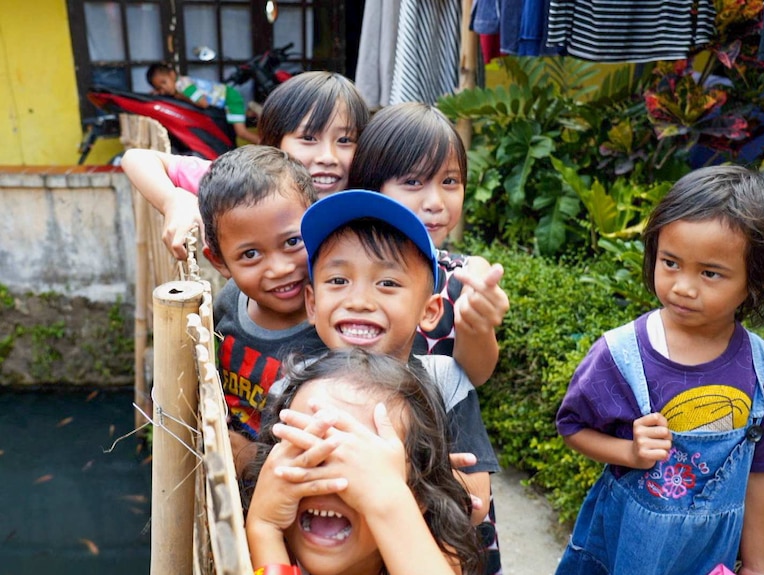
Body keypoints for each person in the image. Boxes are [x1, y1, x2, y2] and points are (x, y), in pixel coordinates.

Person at [554, 165, 764, 575]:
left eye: (709, 273)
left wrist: (758, 564)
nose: (684, 286)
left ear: (755, 280)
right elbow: (572, 428)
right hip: (623, 551)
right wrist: (629, 452)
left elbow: (758, 475)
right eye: (670, 263)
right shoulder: (622, 355)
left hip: (706, 558)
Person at [292, 189, 500, 534]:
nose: (358, 300)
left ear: (430, 311)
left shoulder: (445, 382)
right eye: (338, 280)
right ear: (312, 304)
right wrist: (428, 479)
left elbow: (473, 506)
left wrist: (388, 475)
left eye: (387, 283)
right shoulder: (298, 386)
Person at [244, 347, 482, 575]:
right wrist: (264, 528)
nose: (329, 482)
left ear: (417, 496)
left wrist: (389, 505)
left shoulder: (435, 556)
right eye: (308, 451)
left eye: (364, 464)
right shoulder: (243, 544)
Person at [348, 101, 510, 389]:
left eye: (449, 181)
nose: (435, 203)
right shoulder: (338, 268)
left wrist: (475, 325)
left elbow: (475, 375)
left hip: (431, 432)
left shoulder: (464, 276)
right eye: (413, 182)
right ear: (371, 185)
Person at [122, 70, 369, 259]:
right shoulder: (251, 185)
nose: (328, 156)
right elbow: (138, 158)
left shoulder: (368, 198)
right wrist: (173, 200)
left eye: (345, 140)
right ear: (274, 142)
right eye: (308, 138)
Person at [196, 145, 326, 470]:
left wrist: (246, 456)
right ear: (219, 262)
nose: (280, 268)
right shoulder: (228, 303)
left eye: (293, 242)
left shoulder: (334, 332)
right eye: (250, 254)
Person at [146, 62, 261, 145]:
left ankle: (269, 147)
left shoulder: (183, 86)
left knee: (241, 132)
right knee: (240, 118)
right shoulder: (181, 83)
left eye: (164, 82)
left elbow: (203, 103)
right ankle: (253, 112)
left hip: (229, 97)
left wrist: (180, 96)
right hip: (227, 96)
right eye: (159, 88)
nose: (164, 88)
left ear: (172, 74)